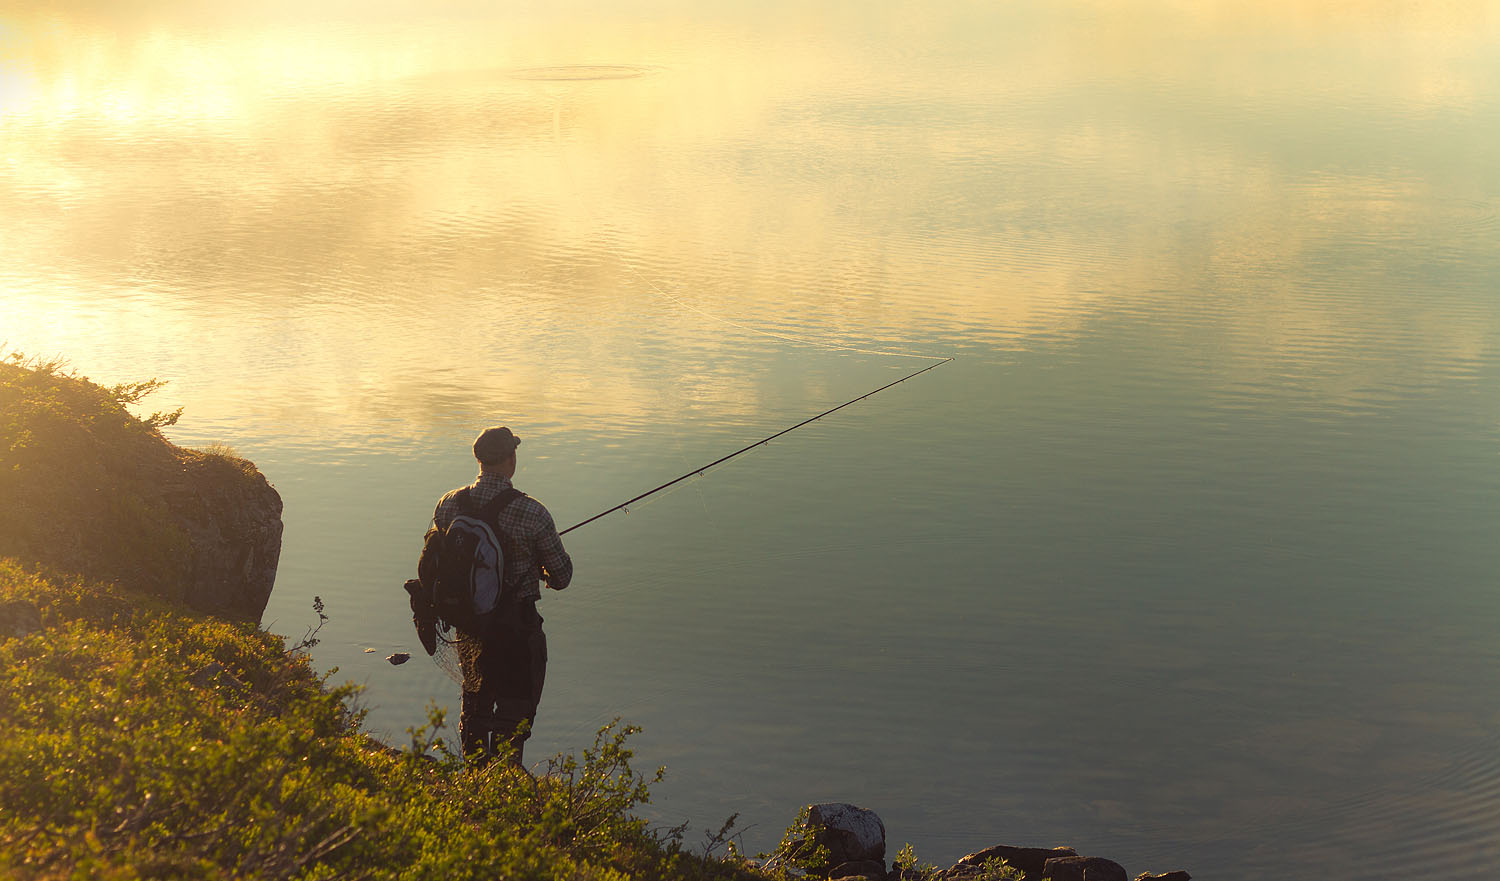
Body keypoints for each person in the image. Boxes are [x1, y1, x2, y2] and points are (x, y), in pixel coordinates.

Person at [429, 426, 572, 763]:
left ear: (479, 460)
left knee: (475, 698)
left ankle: (475, 776)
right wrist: (541, 570)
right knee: (516, 706)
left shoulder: (448, 504)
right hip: (516, 628)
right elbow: (562, 576)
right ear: (511, 459)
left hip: (469, 626)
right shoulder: (532, 513)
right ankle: (506, 781)